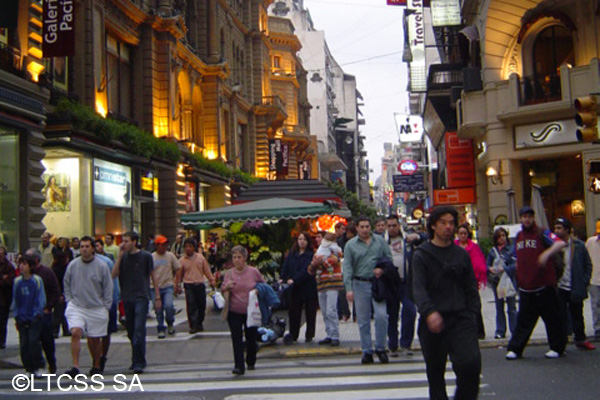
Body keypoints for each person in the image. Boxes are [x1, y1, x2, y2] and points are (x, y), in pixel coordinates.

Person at [411, 206, 482, 400]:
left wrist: (472, 313)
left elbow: (470, 287)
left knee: (470, 364)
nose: (448, 227)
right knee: (435, 374)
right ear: (433, 226)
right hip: (432, 322)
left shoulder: (461, 255)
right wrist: (429, 312)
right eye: (443, 223)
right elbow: (418, 289)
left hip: (461, 318)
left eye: (451, 223)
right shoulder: (421, 255)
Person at [506, 206, 567, 360]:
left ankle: (557, 347)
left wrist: (546, 254)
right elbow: (516, 258)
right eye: (524, 216)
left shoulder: (542, 232)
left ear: (533, 218)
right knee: (523, 321)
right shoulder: (519, 236)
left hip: (544, 285)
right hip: (527, 286)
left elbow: (559, 243)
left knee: (552, 318)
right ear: (520, 219)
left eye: (529, 216)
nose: (527, 219)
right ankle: (516, 348)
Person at [343, 216, 392, 364]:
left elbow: (388, 258)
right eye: (362, 227)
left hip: (378, 284)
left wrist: (382, 270)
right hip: (359, 283)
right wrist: (348, 288)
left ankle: (381, 348)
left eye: (367, 226)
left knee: (382, 316)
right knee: (363, 320)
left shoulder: (380, 241)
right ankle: (366, 351)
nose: (365, 229)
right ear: (356, 228)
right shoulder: (350, 245)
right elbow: (347, 267)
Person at [63, 236, 113, 377]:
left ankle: (96, 364)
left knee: (94, 338)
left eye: (87, 246)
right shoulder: (73, 265)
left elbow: (108, 287)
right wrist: (69, 300)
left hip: (96, 306)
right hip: (77, 305)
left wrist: (106, 306)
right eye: (82, 246)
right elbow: (66, 283)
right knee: (76, 332)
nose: (84, 249)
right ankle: (75, 366)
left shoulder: (101, 266)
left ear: (93, 249)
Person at [112, 231, 160, 374]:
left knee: (139, 328)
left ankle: (138, 361)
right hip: (127, 297)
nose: (124, 244)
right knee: (131, 330)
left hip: (141, 296)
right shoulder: (123, 258)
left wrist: (157, 296)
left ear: (134, 242)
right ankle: (137, 356)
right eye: (123, 241)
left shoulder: (145, 256)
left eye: (127, 241)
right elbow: (113, 275)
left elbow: (153, 276)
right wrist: (119, 258)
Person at [221, 245, 265, 375]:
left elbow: (263, 285)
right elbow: (223, 288)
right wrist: (226, 287)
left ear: (245, 258)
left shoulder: (253, 272)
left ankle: (251, 360)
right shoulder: (229, 273)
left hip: (250, 311)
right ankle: (239, 365)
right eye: (234, 257)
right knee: (236, 338)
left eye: (239, 257)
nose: (237, 260)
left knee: (251, 337)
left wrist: (257, 290)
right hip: (234, 310)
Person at [553, 217, 595, 350]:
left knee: (577, 314)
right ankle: (561, 341)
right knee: (560, 315)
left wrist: (584, 281)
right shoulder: (553, 245)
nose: (557, 231)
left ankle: (580, 339)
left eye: (559, 228)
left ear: (567, 230)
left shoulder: (578, 245)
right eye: (555, 228)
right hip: (559, 286)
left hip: (575, 284)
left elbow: (588, 264)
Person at [386, 214, 422, 356]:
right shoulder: (382, 241)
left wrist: (417, 237)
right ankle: (393, 345)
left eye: (394, 225)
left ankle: (406, 343)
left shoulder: (407, 239)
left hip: (406, 282)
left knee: (410, 311)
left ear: (399, 226)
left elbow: (425, 239)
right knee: (392, 315)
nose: (392, 228)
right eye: (389, 226)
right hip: (390, 283)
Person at [25, 249, 60, 374]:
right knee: (31, 341)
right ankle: (36, 364)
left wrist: (48, 307)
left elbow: (56, 292)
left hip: (44, 313)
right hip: (29, 313)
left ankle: (51, 363)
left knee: (47, 340)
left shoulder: (46, 273)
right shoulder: (25, 276)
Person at [281, 232, 318, 345]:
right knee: (294, 311)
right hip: (295, 288)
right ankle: (293, 334)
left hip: (308, 286)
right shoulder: (292, 254)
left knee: (310, 311)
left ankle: (309, 335)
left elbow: (306, 270)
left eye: (304, 239)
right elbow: (285, 266)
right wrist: (282, 278)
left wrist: (295, 279)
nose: (301, 241)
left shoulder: (311, 255)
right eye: (300, 239)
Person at [12, 256, 46, 376]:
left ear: (31, 266)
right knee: (24, 343)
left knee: (33, 341)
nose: (22, 266)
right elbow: (15, 299)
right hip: (22, 316)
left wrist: (38, 313)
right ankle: (28, 367)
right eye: (20, 264)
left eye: (25, 264)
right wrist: (16, 314)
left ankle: (39, 365)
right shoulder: (17, 281)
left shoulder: (36, 280)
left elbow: (40, 298)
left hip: (34, 316)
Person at [309, 232, 343, 347]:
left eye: (319, 237)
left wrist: (320, 262)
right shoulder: (317, 252)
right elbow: (310, 269)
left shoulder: (335, 250)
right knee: (324, 311)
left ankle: (335, 335)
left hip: (332, 283)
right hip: (321, 284)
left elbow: (335, 259)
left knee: (331, 310)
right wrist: (314, 264)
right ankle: (329, 334)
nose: (317, 239)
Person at [174, 237, 215, 333]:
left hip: (200, 284)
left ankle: (199, 323)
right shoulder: (182, 260)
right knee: (191, 305)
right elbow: (178, 275)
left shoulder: (200, 258)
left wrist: (211, 279)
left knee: (201, 305)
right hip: (189, 285)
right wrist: (177, 285)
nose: (188, 248)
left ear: (194, 247)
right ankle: (193, 325)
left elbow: (206, 270)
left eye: (190, 246)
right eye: (186, 246)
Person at [455, 224, 488, 339]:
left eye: (465, 233)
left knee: (475, 305)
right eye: (461, 233)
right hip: (457, 281)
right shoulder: (454, 247)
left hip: (471, 281)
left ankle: (479, 331)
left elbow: (480, 263)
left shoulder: (473, 247)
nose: (463, 235)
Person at [93, 243, 119, 374]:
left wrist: (114, 300)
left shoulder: (106, 262)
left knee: (106, 332)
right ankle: (96, 360)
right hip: (92, 303)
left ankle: (102, 357)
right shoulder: (79, 263)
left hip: (107, 302)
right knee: (94, 333)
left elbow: (113, 281)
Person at [486, 227, 517, 339]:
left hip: (508, 280)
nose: (502, 238)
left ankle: (514, 330)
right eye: (499, 236)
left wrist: (505, 269)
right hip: (497, 281)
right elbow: (487, 264)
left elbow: (515, 264)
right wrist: (490, 269)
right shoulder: (492, 251)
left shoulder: (511, 249)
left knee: (511, 306)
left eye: (503, 235)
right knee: (499, 307)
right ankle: (500, 330)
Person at [152, 235, 181, 338]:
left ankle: (170, 322)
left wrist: (177, 283)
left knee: (168, 306)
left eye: (166, 244)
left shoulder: (170, 256)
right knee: (158, 309)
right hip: (154, 287)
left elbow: (178, 268)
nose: (164, 246)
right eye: (162, 244)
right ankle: (160, 327)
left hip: (168, 285)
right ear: (157, 245)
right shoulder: (152, 257)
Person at [52, 243, 72, 339]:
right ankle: (56, 330)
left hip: (62, 292)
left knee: (63, 312)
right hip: (59, 292)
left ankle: (65, 329)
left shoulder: (62, 268)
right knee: (59, 313)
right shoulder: (59, 269)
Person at [585, 228, 600, 341]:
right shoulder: (590, 242)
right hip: (594, 279)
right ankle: (598, 328)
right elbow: (585, 258)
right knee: (595, 304)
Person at [0, 245, 16, 349]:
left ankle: (2, 341)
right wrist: (2, 277)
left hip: (4, 299)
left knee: (2, 321)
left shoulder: (9, 266)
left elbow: (9, 282)